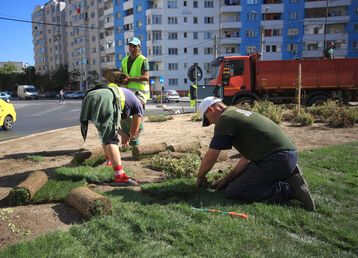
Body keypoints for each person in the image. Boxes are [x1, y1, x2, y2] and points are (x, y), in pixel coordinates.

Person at [196, 97, 315, 211]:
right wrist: (226, 180)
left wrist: (200, 177)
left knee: (234, 192)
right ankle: (288, 174)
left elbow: (212, 155)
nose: (211, 123)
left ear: (211, 110)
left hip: (276, 159)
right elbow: (246, 158)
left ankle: (290, 189)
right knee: (232, 185)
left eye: (208, 120)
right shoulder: (237, 113)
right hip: (285, 156)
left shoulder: (225, 119)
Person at [80, 69, 145, 185]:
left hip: (91, 95)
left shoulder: (125, 95)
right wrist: (130, 136)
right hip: (106, 98)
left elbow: (113, 125)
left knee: (105, 134)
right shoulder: (138, 104)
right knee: (111, 139)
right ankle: (120, 175)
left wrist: (123, 134)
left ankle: (110, 162)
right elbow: (136, 125)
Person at [117, 37, 149, 146]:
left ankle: (135, 142)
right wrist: (121, 80)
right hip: (126, 93)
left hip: (139, 94)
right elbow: (123, 76)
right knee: (124, 117)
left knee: (137, 116)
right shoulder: (124, 60)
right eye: (130, 45)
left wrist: (129, 79)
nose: (132, 48)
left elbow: (146, 77)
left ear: (139, 47)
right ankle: (126, 143)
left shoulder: (143, 60)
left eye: (135, 46)